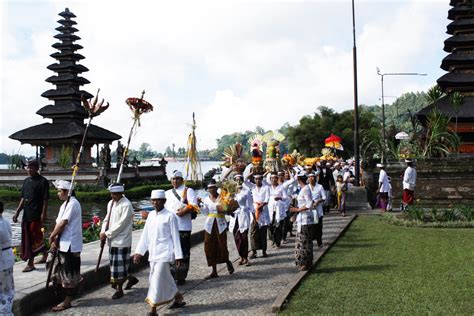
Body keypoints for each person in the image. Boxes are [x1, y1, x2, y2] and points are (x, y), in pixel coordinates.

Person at [134, 189, 185, 315]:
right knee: (165, 278)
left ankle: (153, 309)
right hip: (153, 253)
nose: (155, 203)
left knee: (156, 280)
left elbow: (175, 237)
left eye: (158, 200)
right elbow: (145, 236)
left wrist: (179, 256)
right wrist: (139, 252)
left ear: (164, 201)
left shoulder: (170, 216)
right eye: (153, 201)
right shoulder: (151, 216)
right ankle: (178, 298)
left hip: (165, 253)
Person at [48, 180, 83, 312]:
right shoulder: (65, 205)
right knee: (59, 272)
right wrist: (55, 237)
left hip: (70, 243)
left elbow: (63, 223)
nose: (58, 193)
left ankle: (67, 301)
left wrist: (52, 236)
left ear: (67, 192)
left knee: (69, 273)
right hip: (63, 242)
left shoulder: (73, 204)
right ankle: (65, 294)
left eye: (59, 191)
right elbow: (58, 223)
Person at [100, 183, 138, 299]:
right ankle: (131, 279)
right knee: (118, 265)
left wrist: (107, 234)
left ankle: (119, 290)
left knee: (118, 268)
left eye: (116, 194)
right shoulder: (111, 203)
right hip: (112, 240)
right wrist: (102, 231)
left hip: (122, 241)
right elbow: (107, 218)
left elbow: (120, 225)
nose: (113, 196)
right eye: (112, 194)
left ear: (121, 193)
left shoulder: (126, 205)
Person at [12, 160, 49, 272]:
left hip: (36, 214)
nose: (29, 170)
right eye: (27, 168)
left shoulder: (43, 182)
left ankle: (31, 263)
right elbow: (23, 198)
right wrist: (17, 212)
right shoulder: (26, 181)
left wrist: (44, 213)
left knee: (33, 238)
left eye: (31, 168)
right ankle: (45, 255)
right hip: (27, 214)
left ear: (37, 168)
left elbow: (45, 199)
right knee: (33, 236)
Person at [165, 170, 197, 285]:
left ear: (182, 179)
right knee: (172, 251)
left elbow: (194, 206)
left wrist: (185, 210)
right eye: (173, 179)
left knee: (183, 251)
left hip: (183, 226)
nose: (175, 181)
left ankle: (182, 275)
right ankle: (172, 274)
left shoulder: (188, 191)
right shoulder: (167, 193)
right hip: (170, 227)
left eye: (177, 178)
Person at [199, 180, 234, 279]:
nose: (212, 189)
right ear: (208, 189)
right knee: (209, 245)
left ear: (216, 188)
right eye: (210, 188)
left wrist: (228, 208)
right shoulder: (206, 199)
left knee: (222, 244)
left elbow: (226, 209)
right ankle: (214, 271)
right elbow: (205, 212)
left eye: (214, 187)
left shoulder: (223, 197)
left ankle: (227, 261)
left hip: (220, 223)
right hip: (210, 224)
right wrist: (200, 205)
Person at [290, 172, 314, 271]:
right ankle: (305, 262)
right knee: (302, 241)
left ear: (299, 180)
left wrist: (297, 210)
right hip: (302, 219)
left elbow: (309, 204)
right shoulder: (303, 189)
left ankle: (305, 262)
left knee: (304, 242)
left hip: (306, 219)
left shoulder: (306, 189)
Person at [244, 173, 270, 259]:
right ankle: (254, 251)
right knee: (253, 232)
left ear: (262, 179)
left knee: (263, 232)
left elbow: (267, 198)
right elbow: (244, 180)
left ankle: (264, 251)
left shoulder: (266, 188)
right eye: (256, 179)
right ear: (254, 180)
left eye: (259, 179)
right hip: (254, 211)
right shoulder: (253, 187)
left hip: (263, 210)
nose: (258, 180)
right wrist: (252, 172)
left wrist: (262, 205)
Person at [228, 174, 252, 266]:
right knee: (237, 237)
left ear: (242, 180)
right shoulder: (232, 192)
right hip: (234, 216)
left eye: (240, 180)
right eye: (236, 180)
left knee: (244, 237)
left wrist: (253, 216)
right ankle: (241, 257)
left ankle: (246, 257)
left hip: (243, 215)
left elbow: (250, 205)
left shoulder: (246, 191)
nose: (238, 181)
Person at [0, 201, 15, 315]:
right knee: (8, 290)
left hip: (2, 261)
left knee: (4, 292)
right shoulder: (5, 222)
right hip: (7, 258)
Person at [308, 172, 326, 247]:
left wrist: (318, 201)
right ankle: (310, 242)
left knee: (318, 226)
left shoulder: (320, 187)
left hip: (318, 210)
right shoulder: (306, 187)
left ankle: (319, 242)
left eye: (313, 177)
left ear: (315, 178)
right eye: (310, 177)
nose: (311, 179)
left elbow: (324, 197)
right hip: (309, 210)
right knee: (310, 227)